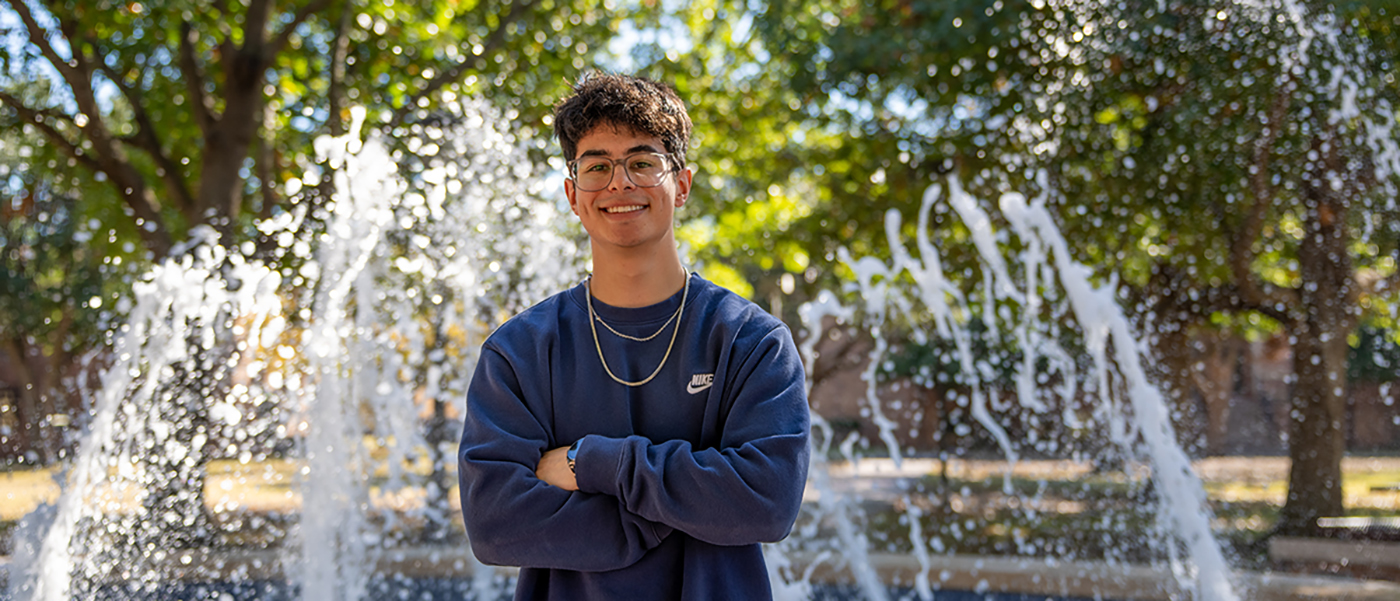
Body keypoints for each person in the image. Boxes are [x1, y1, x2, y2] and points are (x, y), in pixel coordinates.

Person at [457, 73, 811, 600]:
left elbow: (767, 501)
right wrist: (672, 514)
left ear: (682, 184)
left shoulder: (750, 341)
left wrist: (591, 463)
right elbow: (495, 523)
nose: (619, 183)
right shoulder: (520, 351)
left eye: (643, 163)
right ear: (574, 195)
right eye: (597, 166)